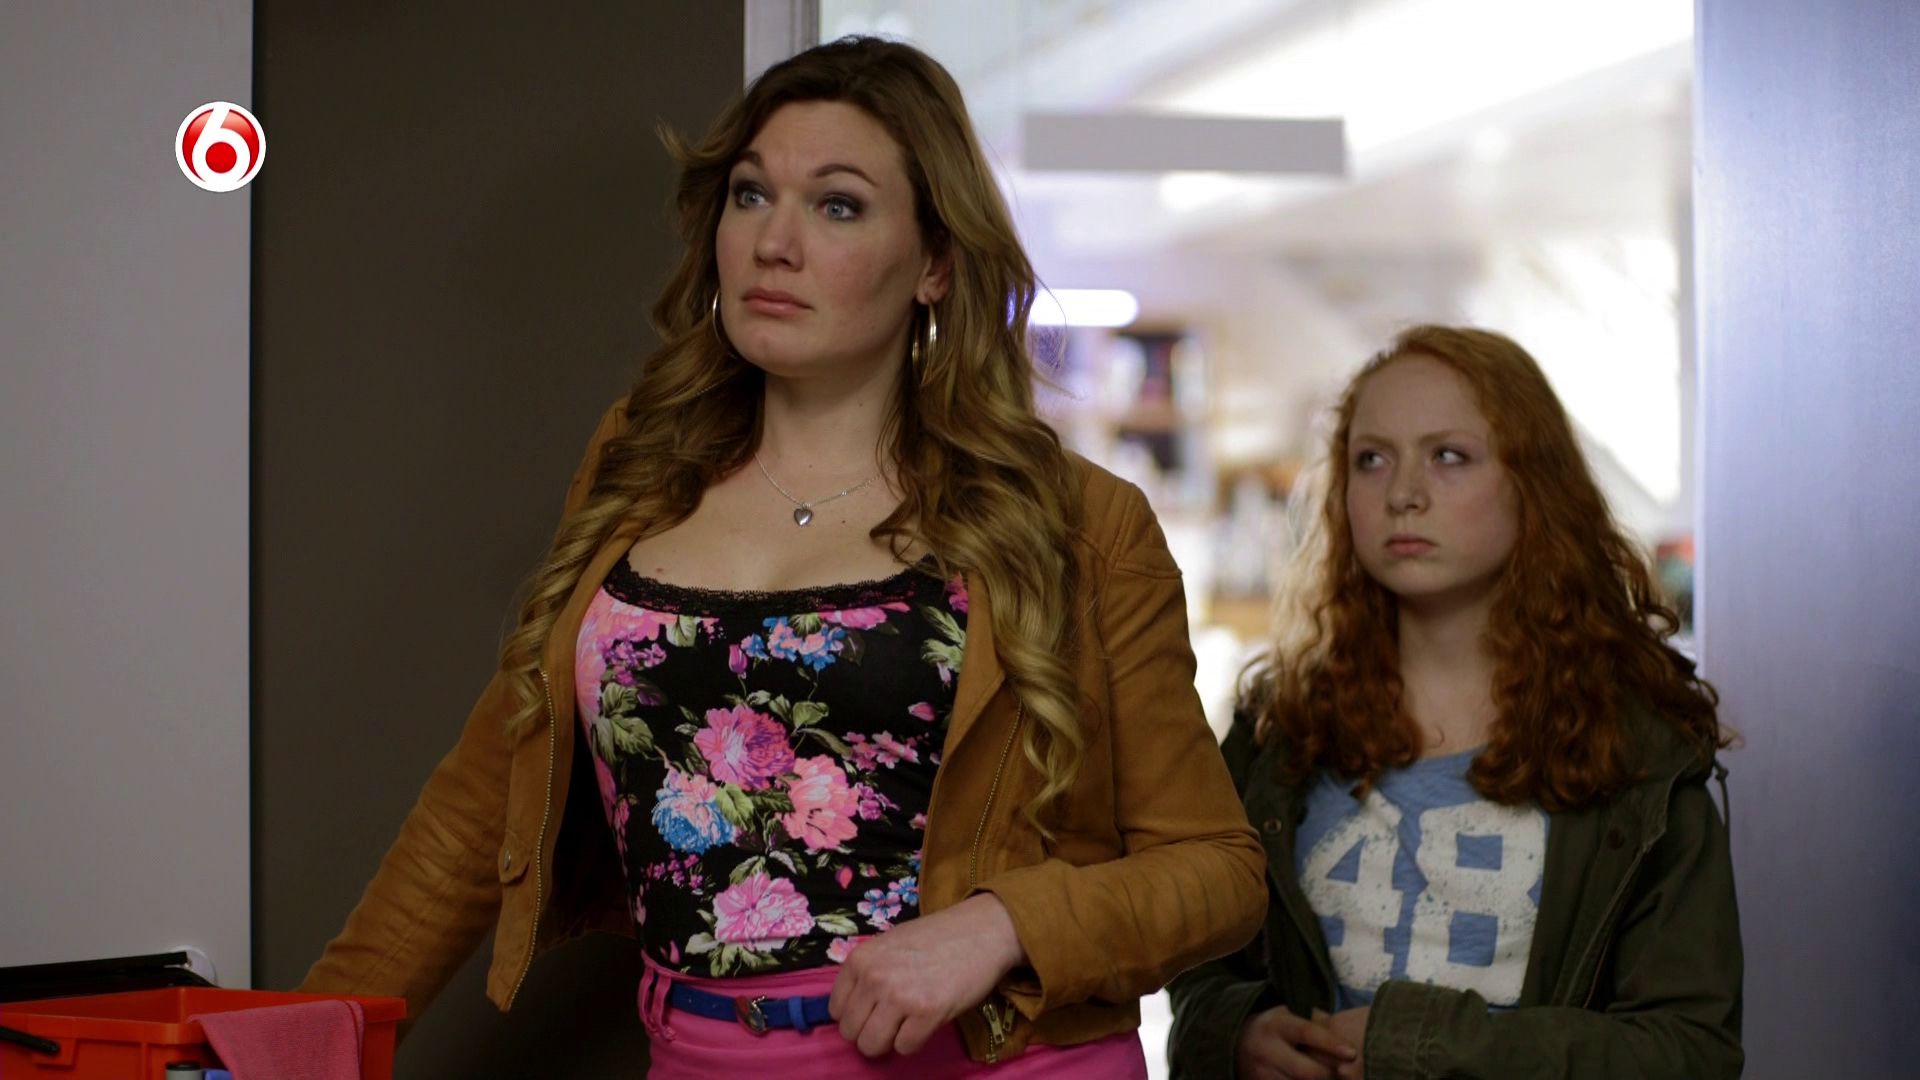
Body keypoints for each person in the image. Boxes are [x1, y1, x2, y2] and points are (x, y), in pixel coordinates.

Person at [300, 35, 1265, 1077]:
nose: (774, 242)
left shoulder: (1076, 521)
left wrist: (1003, 925)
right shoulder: (637, 469)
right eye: (751, 195)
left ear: (935, 264)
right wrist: (300, 1043)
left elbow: (1218, 868)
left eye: (838, 205)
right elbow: (484, 800)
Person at [1167, 325, 1742, 1080]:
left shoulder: (1639, 750)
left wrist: (1427, 1047)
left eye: (1448, 456)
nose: (1403, 494)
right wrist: (1234, 1035)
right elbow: (1199, 969)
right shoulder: (1280, 727)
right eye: (1371, 459)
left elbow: (1690, 1051)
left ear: (1533, 484)